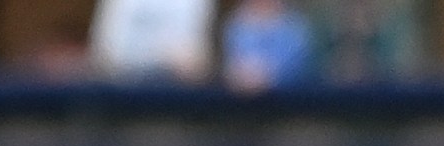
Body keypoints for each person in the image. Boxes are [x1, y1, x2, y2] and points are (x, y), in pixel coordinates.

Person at [88, 0, 216, 82]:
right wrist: (166, 53)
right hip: (122, 90)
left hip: (178, 95)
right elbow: (107, 52)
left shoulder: (195, 3)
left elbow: (196, 60)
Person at [221, 0, 316, 92]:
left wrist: (267, 76)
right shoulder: (237, 26)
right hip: (241, 97)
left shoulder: (296, 29)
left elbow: (295, 66)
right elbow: (233, 64)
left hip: (288, 96)